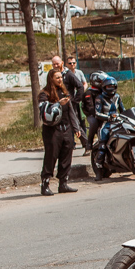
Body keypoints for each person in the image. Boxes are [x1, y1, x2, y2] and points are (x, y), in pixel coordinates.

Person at [38, 67, 82, 196]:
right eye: (57, 78)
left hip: (66, 129)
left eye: (61, 77)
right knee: (51, 157)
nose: (60, 79)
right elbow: (43, 111)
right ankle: (45, 184)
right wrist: (57, 103)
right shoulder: (44, 94)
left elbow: (71, 112)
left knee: (66, 156)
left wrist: (76, 128)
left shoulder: (64, 92)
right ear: (51, 79)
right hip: (52, 131)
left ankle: (63, 183)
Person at [92, 76, 124, 180]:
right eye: (108, 86)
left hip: (118, 122)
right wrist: (108, 117)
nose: (111, 88)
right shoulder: (99, 98)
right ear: (104, 87)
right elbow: (97, 113)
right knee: (102, 147)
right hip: (105, 125)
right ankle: (98, 169)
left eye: (113, 86)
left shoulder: (117, 97)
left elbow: (123, 110)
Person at [61, 56, 88, 151]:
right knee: (71, 124)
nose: (72, 65)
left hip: (74, 102)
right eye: (70, 63)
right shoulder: (60, 74)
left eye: (73, 63)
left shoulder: (72, 74)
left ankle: (86, 144)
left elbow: (82, 85)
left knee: (77, 123)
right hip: (64, 103)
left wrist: (77, 99)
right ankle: (71, 144)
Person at [82, 71, 107, 153]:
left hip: (103, 113)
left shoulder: (103, 92)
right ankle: (89, 144)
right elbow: (90, 107)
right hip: (91, 115)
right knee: (94, 123)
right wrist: (97, 114)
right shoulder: (89, 93)